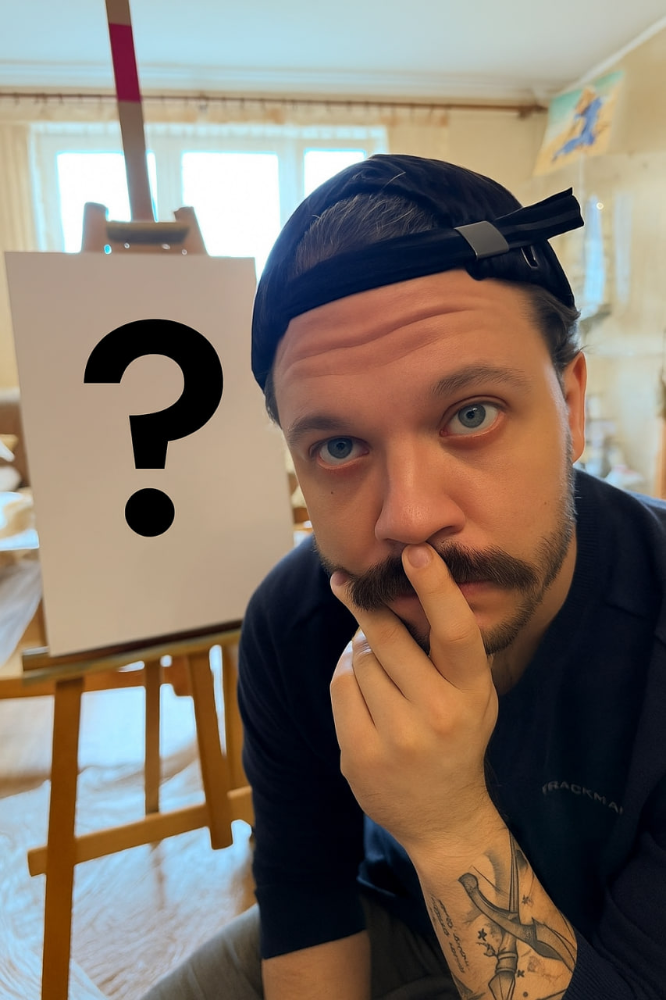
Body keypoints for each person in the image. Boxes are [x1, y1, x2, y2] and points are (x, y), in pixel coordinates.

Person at [143, 155, 666, 1000]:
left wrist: (449, 826)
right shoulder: (297, 621)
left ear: (571, 404)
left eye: (471, 414)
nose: (410, 518)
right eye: (338, 447)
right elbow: (308, 905)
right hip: (404, 913)